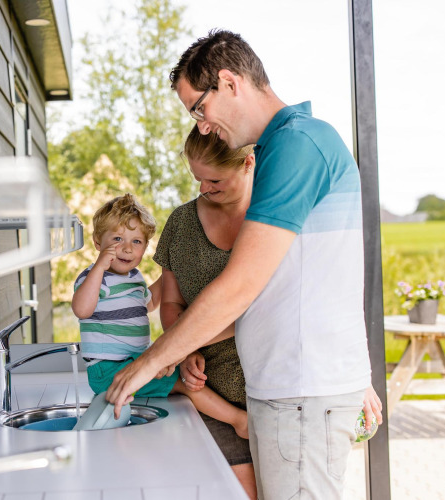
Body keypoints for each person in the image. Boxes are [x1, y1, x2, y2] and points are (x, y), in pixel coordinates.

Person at [106, 30, 384, 500]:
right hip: (294, 390)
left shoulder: (296, 147)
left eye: (199, 108)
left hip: (301, 393)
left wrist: (152, 361)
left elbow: (241, 286)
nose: (203, 127)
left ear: (229, 82)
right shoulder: (290, 146)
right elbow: (280, 294)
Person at [72, 193, 249, 439]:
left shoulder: (133, 278)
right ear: (97, 242)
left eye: (137, 241)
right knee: (186, 384)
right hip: (108, 371)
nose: (126, 247)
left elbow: (152, 301)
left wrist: (174, 270)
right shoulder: (95, 277)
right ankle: (239, 421)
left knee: (184, 377)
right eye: (117, 239)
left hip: (132, 363)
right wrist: (99, 267)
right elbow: (82, 309)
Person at [155, 125, 257, 498]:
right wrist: (185, 351)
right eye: (197, 179)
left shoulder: (273, 222)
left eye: (214, 179)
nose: (203, 189)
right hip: (210, 398)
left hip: (278, 397)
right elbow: (171, 303)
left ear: (248, 163)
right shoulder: (181, 225)